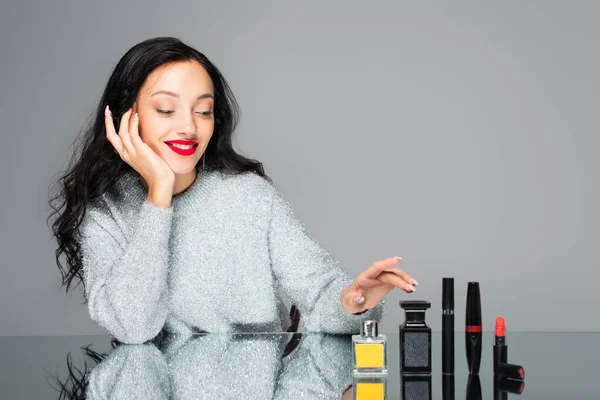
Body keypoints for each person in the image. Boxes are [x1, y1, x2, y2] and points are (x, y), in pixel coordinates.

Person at [48, 37, 417, 344]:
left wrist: (354, 300)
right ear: (127, 118)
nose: (189, 127)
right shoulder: (105, 213)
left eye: (204, 111)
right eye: (165, 109)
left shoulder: (249, 196)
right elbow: (133, 328)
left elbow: (321, 297)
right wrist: (158, 196)